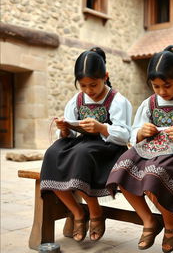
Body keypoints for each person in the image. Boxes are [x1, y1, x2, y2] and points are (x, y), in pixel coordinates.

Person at [106, 45, 173, 252]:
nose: (162, 92)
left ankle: (171, 222)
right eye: (156, 86)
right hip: (150, 150)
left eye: (166, 86)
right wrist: (141, 132)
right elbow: (134, 132)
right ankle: (149, 220)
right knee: (120, 170)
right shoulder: (149, 103)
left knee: (153, 177)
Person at [40, 47, 132, 242]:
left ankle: (95, 211)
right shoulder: (77, 100)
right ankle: (77, 212)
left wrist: (101, 128)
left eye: (94, 84)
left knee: (81, 154)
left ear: (105, 77)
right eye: (83, 85)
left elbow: (124, 135)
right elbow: (71, 133)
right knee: (52, 153)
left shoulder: (117, 101)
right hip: (81, 144)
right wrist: (65, 128)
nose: (89, 90)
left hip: (108, 148)